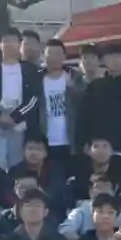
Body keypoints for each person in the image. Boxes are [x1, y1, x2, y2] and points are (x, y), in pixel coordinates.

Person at [0, 27, 42, 171]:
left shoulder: (29, 69)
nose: (9, 44)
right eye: (6, 41)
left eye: (13, 41)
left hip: (21, 127)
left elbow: (34, 97)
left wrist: (16, 116)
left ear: (19, 44)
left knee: (19, 167)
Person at [77, 47, 121, 161]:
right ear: (104, 61)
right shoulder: (95, 86)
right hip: (99, 146)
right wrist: (84, 142)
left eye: (118, 57)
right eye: (110, 57)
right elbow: (84, 116)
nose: (114, 61)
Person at [61, 172, 121, 240]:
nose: (103, 191)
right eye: (99, 187)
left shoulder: (119, 210)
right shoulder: (82, 210)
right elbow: (65, 230)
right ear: (91, 192)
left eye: (107, 187)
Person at [39, 39, 81, 171]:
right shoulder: (36, 79)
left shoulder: (75, 77)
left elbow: (86, 104)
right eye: (49, 54)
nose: (53, 58)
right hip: (46, 142)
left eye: (57, 54)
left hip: (71, 141)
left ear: (64, 56)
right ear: (43, 56)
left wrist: (73, 89)